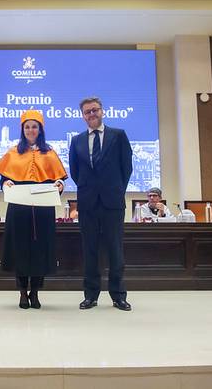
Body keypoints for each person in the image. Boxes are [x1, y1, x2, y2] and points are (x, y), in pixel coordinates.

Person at [0, 109, 67, 309]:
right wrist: (6, 183)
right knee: (20, 250)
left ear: (40, 129)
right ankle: (22, 293)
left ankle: (35, 292)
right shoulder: (13, 152)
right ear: (22, 129)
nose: (31, 130)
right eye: (27, 127)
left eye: (34, 126)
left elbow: (57, 179)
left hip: (42, 210)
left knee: (39, 251)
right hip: (19, 209)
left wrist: (60, 184)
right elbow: (4, 179)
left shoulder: (50, 153)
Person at [68, 97, 133, 311]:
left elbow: (127, 168)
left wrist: (114, 190)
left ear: (102, 111)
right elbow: (75, 172)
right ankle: (91, 295)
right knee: (90, 251)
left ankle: (118, 296)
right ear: (83, 116)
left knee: (115, 249)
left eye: (94, 110)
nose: (91, 114)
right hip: (87, 203)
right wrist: (90, 190)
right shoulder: (76, 141)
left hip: (112, 202)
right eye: (87, 112)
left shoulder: (118, 135)